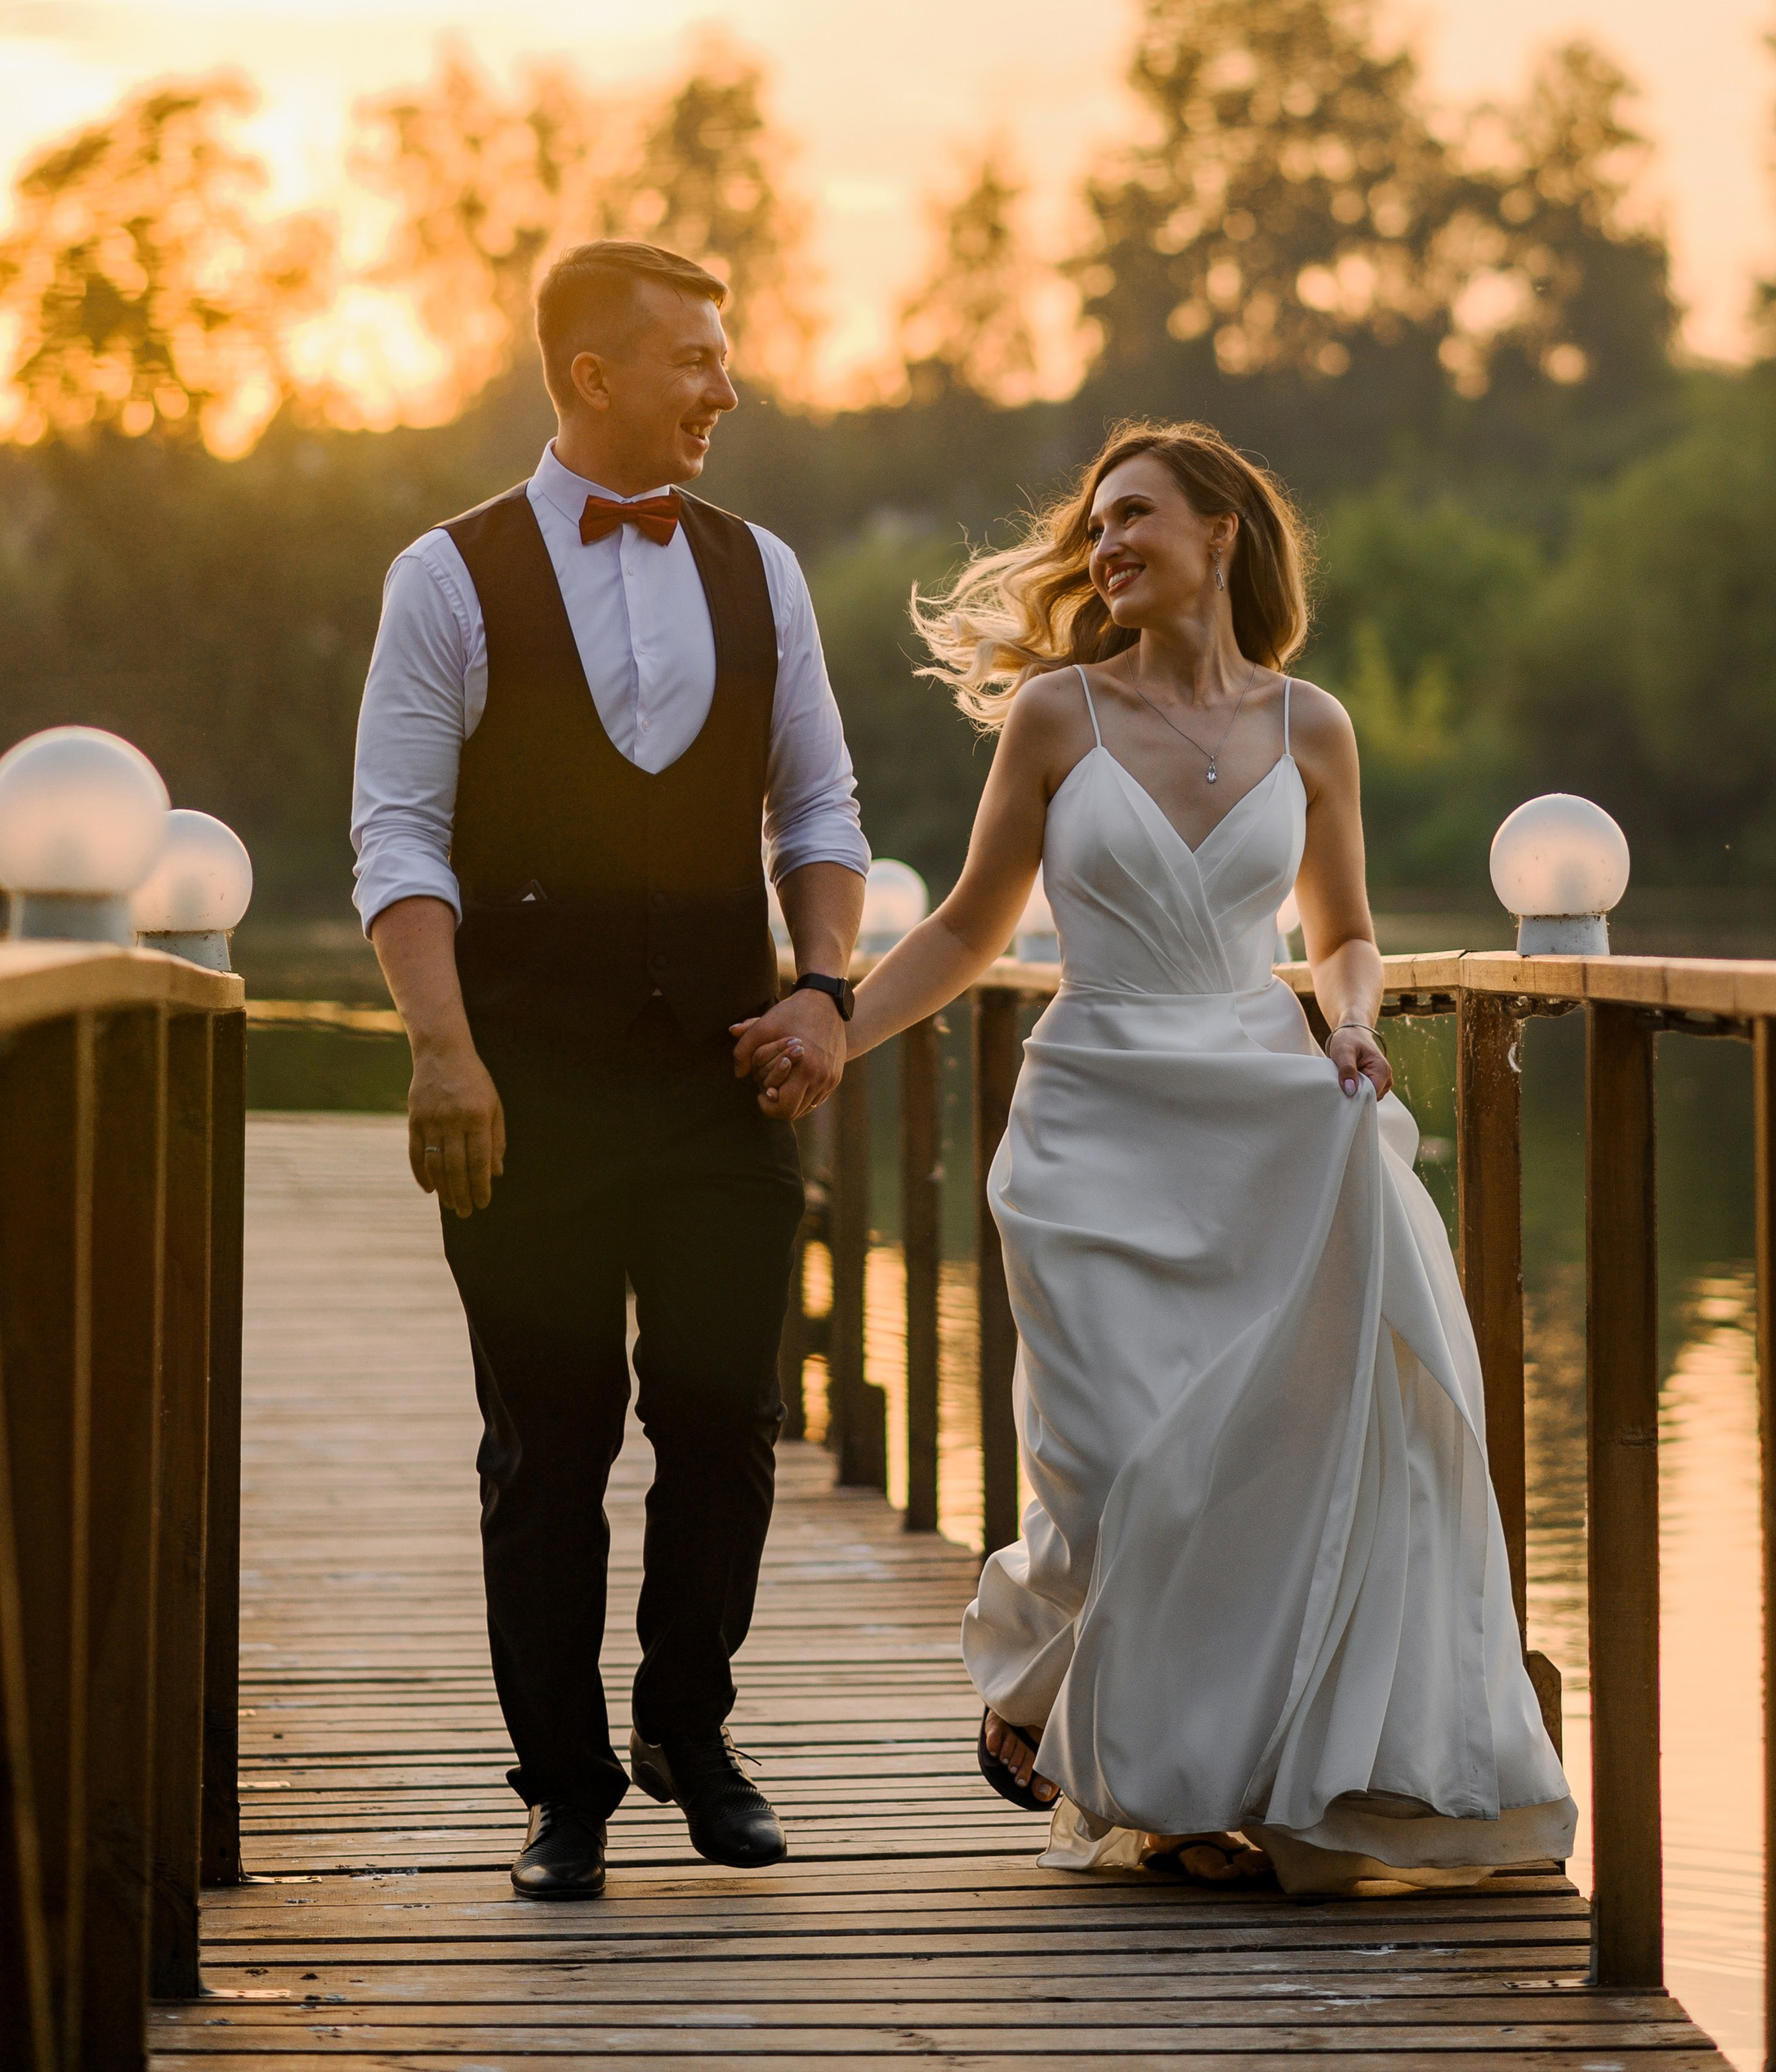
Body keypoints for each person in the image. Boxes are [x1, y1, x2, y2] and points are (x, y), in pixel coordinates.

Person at [741, 418, 1574, 1891]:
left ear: (1223, 533)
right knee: (1122, 1461)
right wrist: (834, 1033)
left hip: (1264, 1113)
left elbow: (1348, 933)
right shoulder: (1057, 717)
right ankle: (1051, 1676)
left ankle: (1200, 1791)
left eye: (1134, 518)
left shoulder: (1313, 726)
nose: (1106, 546)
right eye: (1096, 526)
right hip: (1098, 1126)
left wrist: (1354, 1022)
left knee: (1264, 1464)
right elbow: (963, 930)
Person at [352, 239, 869, 1901]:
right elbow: (397, 837)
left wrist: (823, 988)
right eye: (695, 358)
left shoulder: (761, 567)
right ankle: (561, 1785)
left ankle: (687, 1730)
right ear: (593, 375)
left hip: (727, 1075)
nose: (726, 385)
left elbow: (823, 813)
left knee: (723, 1416)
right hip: (530, 1087)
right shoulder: (445, 576)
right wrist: (446, 1054)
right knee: (545, 1438)